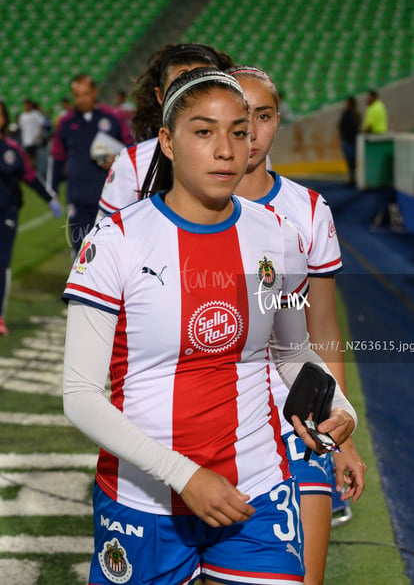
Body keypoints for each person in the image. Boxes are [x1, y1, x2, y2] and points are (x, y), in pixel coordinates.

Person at [63, 68, 357, 585]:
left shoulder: (278, 236)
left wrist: (338, 406)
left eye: (239, 132)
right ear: (168, 142)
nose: (226, 149)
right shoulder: (115, 241)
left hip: (258, 492)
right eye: (204, 132)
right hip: (144, 503)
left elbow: (291, 353)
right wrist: (184, 476)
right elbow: (80, 395)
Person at [227, 66, 366, 585]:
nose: (251, 131)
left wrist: (342, 432)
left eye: (263, 117)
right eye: (239, 118)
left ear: (277, 122)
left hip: (298, 425)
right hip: (220, 426)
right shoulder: (187, 211)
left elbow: (323, 328)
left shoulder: (308, 211)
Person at [97, 42, 234, 219]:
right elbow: (106, 234)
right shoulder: (133, 163)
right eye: (180, 85)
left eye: (205, 83)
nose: (195, 96)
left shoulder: (245, 154)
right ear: (160, 96)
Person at [49, 74, 134, 254]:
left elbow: (131, 150)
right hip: (77, 198)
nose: (81, 99)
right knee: (80, 250)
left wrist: (117, 160)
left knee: (110, 250)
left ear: (94, 92)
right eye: (77, 95)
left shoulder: (112, 117)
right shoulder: (65, 123)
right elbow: (57, 157)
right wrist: (53, 191)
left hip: (109, 197)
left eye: (86, 94)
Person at [0, 100, 61, 336]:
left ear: (5, 119)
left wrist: (49, 198)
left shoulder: (12, 150)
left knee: (2, 263)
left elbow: (29, 176)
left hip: (7, 212)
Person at [338, 96, 360, 185]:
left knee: (352, 160)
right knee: (350, 160)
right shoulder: (350, 114)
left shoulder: (354, 114)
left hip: (350, 140)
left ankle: (353, 178)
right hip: (349, 140)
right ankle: (352, 177)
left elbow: (342, 126)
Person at [17, 98, 45, 167]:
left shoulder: (36, 114)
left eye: (28, 104)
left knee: (36, 160)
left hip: (35, 141)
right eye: (25, 104)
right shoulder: (22, 116)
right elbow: (21, 128)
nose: (26, 106)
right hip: (26, 141)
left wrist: (38, 135)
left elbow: (42, 125)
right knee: (27, 160)